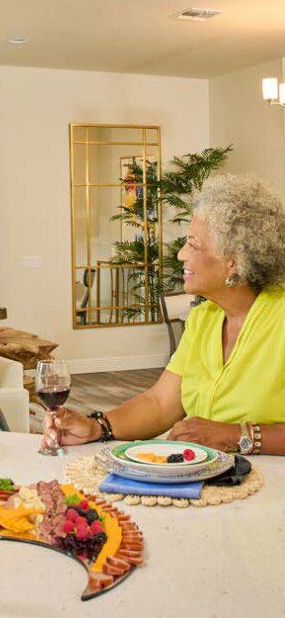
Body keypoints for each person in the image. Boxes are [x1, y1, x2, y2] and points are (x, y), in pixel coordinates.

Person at [44, 174, 285, 456]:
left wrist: (237, 435)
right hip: (209, 483)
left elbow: (226, 434)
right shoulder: (204, 318)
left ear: (233, 260)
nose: (181, 254)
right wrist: (97, 426)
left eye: (193, 245)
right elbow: (160, 403)